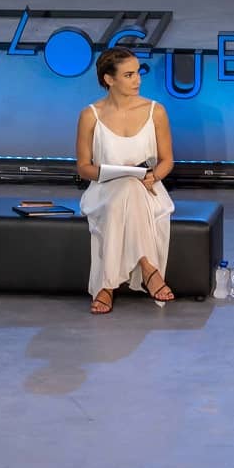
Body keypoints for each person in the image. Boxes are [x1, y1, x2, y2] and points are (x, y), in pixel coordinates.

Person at [74, 46, 176, 313]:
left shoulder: (156, 111)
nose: (138, 80)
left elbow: (167, 161)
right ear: (109, 79)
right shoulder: (90, 116)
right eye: (129, 75)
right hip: (104, 190)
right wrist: (112, 173)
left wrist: (155, 176)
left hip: (147, 188)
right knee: (125, 186)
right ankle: (149, 270)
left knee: (131, 186)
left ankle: (106, 287)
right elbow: (84, 168)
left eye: (138, 73)